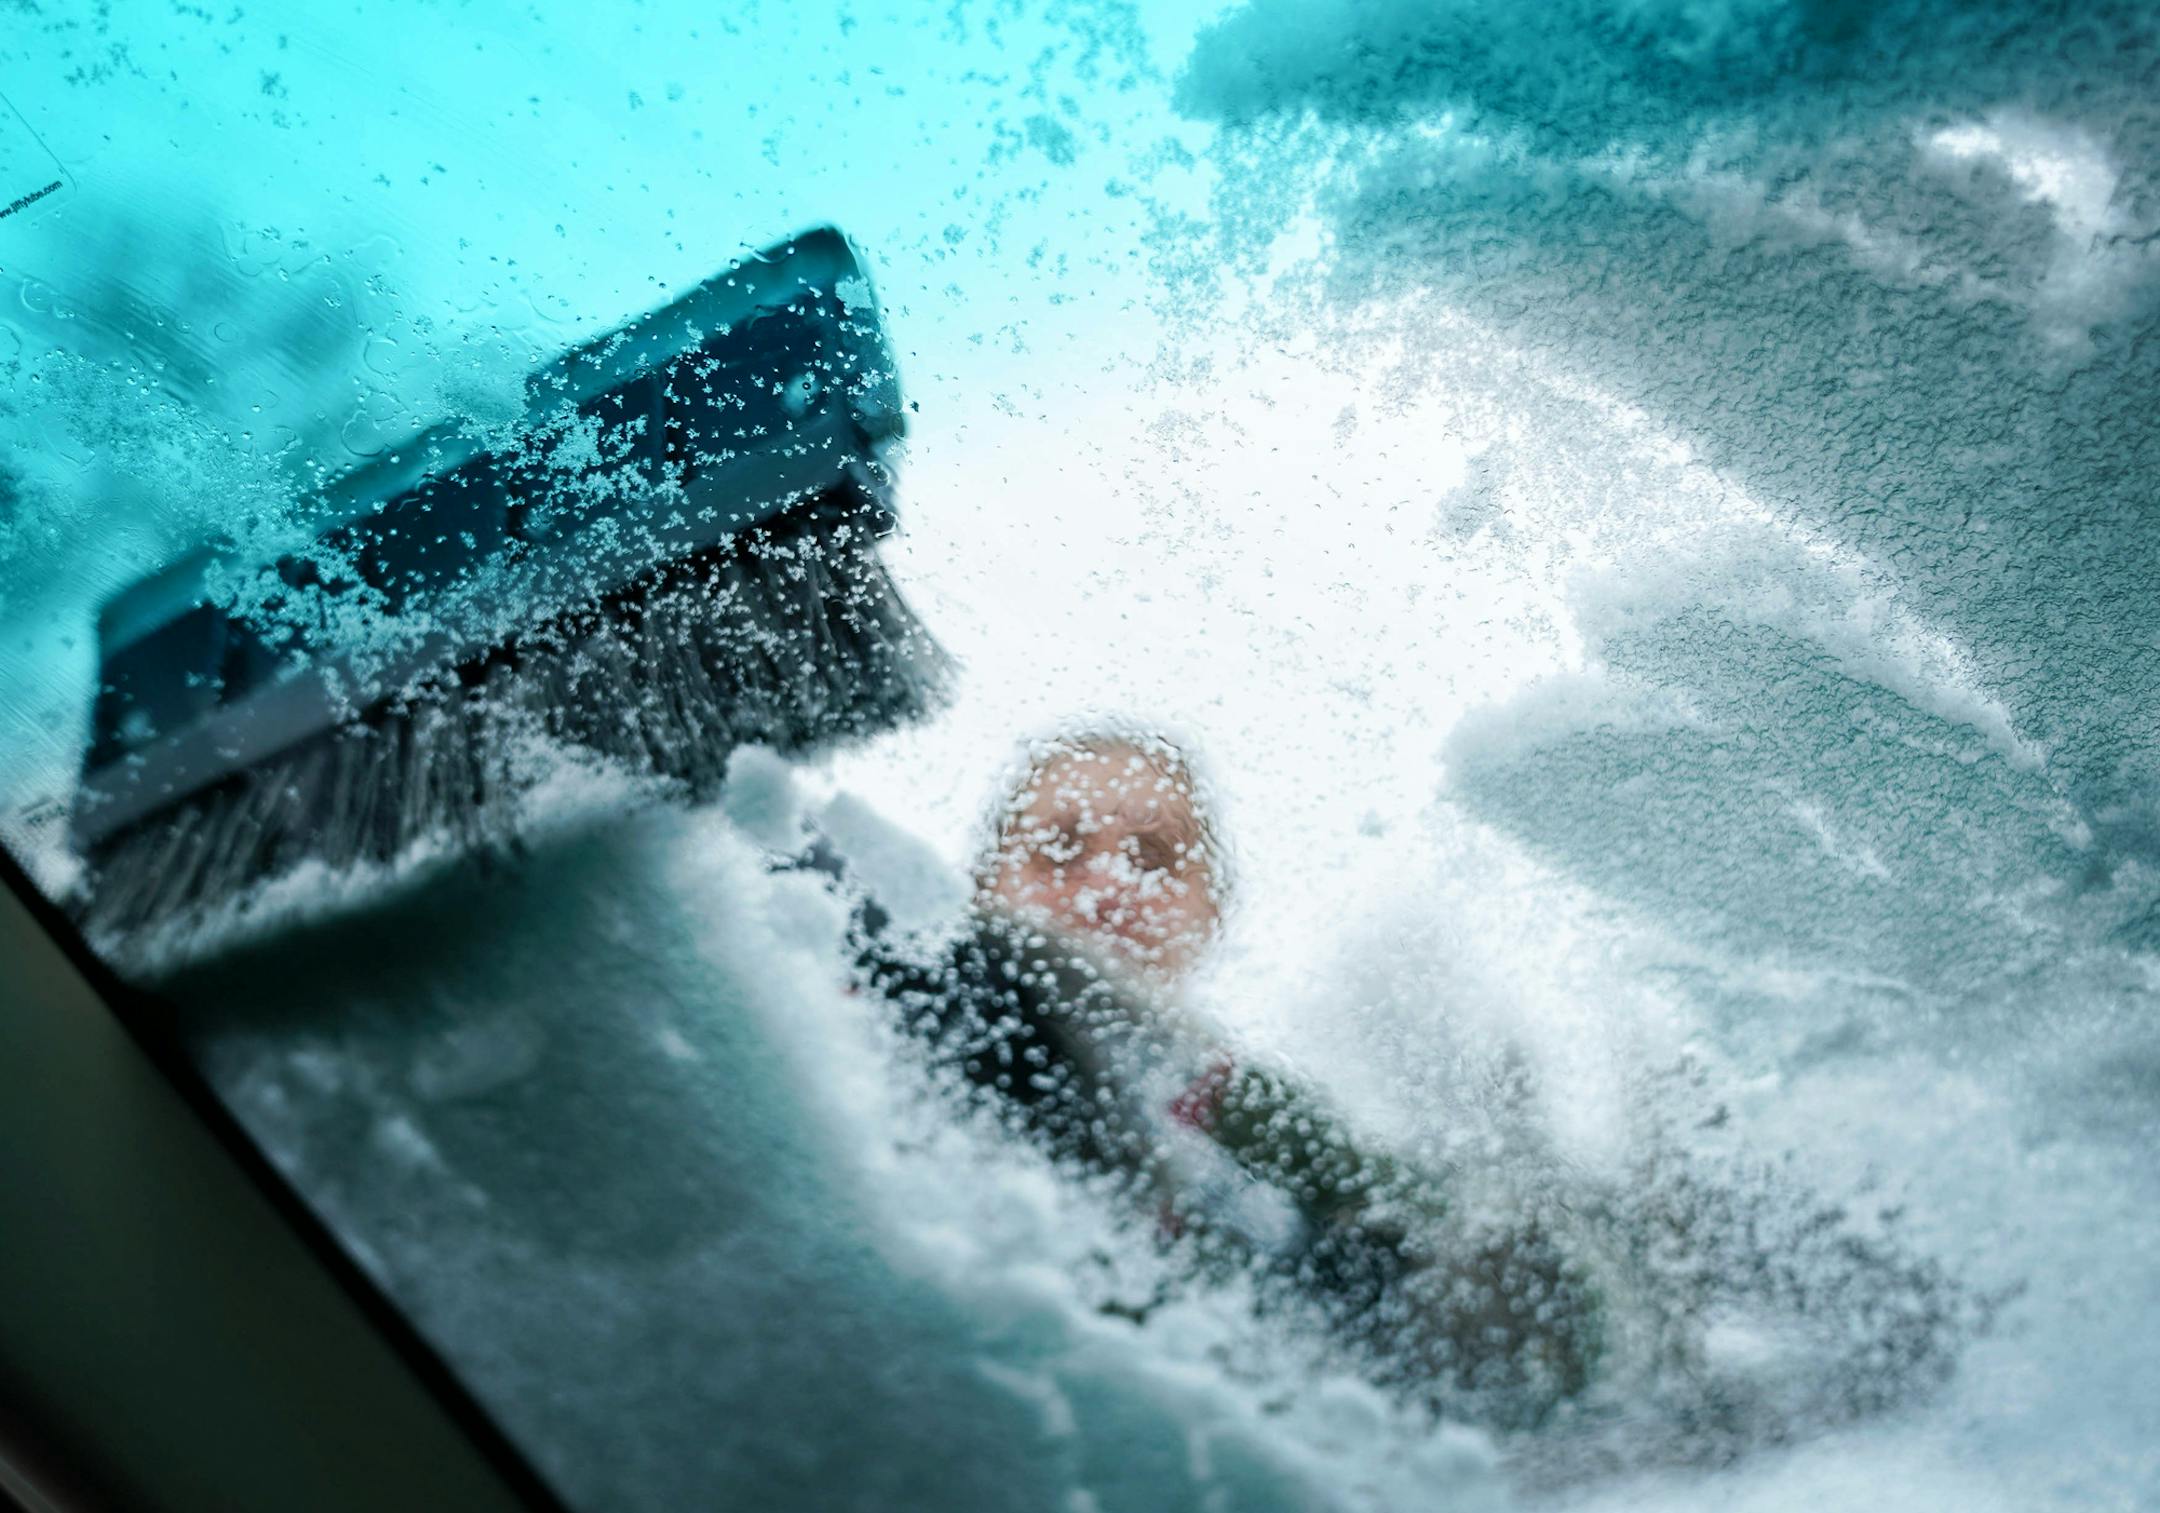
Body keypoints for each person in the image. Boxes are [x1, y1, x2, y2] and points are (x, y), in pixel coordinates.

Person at [841, 728, 1603, 1428]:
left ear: (1211, 907)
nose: (1109, 884)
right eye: (1060, 850)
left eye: (1154, 857)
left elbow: (1486, 1279)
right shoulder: (903, 1033)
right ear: (985, 885)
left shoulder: (1257, 1110)